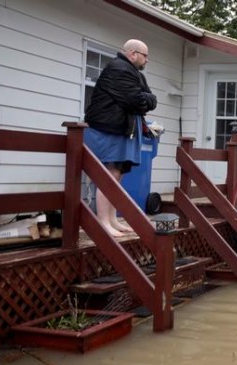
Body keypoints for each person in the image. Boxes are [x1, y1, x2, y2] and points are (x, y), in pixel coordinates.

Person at [83, 39, 157, 237]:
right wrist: (145, 99)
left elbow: (150, 99)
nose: (147, 60)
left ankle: (112, 219)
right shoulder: (119, 69)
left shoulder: (134, 73)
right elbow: (136, 101)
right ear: (133, 54)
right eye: (145, 55)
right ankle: (103, 222)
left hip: (122, 130)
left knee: (118, 175)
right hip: (108, 130)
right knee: (109, 175)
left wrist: (146, 99)